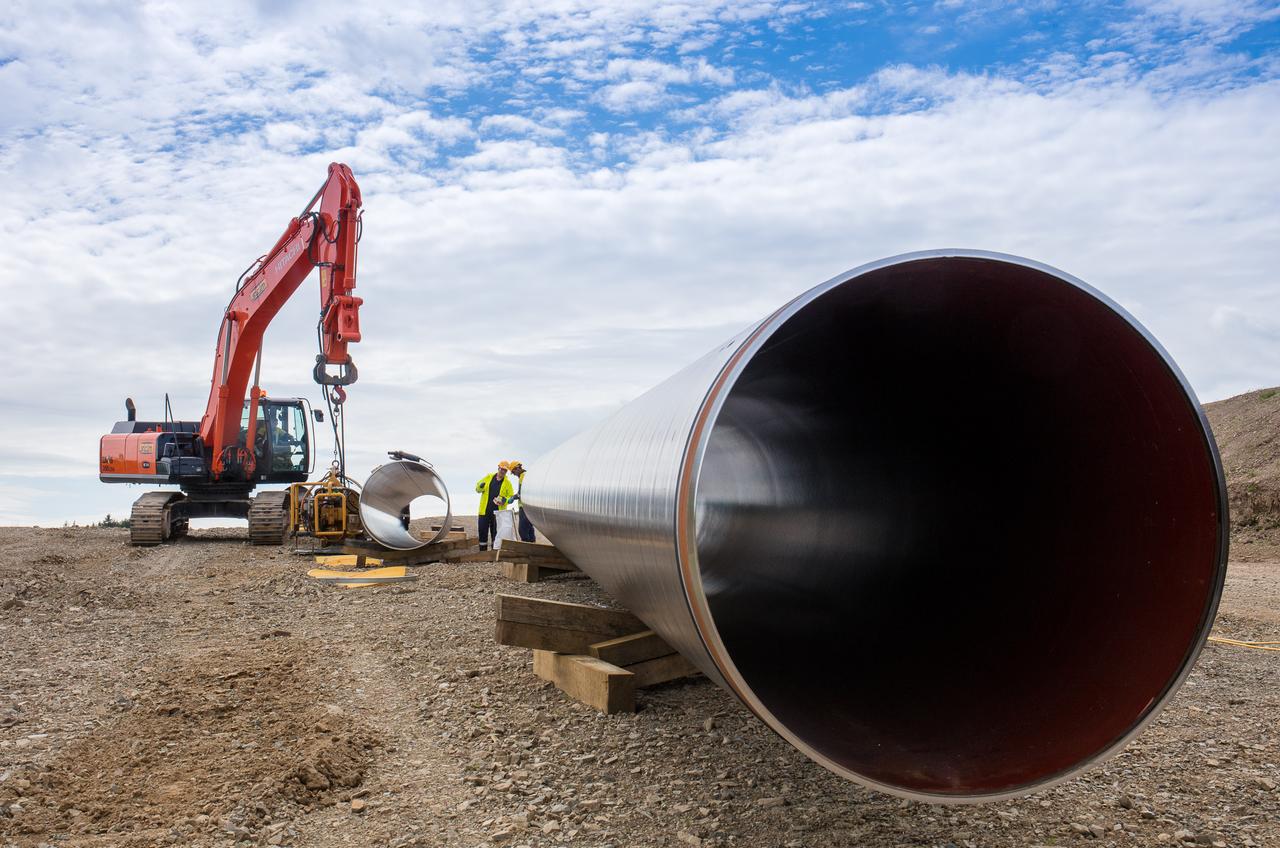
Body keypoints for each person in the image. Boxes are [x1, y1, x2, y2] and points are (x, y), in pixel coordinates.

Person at [475, 461, 514, 551]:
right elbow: (477, 489)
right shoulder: (488, 478)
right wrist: (481, 486)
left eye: (505, 470)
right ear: (498, 468)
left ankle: (494, 553)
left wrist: (506, 500)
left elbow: (511, 497)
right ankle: (483, 553)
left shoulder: (507, 483)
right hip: (484, 511)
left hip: (498, 513)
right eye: (501, 469)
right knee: (482, 532)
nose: (503, 471)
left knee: (496, 534)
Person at [507, 460, 537, 542]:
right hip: (529, 506)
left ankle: (527, 548)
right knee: (529, 528)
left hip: (524, 507)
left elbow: (522, 493)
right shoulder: (527, 475)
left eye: (513, 472)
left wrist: (513, 497)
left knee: (522, 530)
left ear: (517, 468)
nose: (514, 474)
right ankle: (533, 546)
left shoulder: (523, 476)